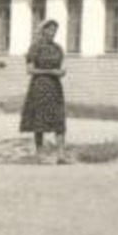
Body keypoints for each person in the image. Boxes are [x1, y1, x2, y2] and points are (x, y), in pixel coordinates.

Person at [20, 19, 68, 163]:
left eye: (55, 30)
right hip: (39, 86)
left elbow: (59, 67)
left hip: (55, 87)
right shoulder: (35, 47)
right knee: (39, 120)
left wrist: (60, 72)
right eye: (50, 29)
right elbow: (29, 70)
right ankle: (40, 155)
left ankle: (61, 155)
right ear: (43, 30)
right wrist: (50, 71)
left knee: (59, 120)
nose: (53, 33)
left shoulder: (58, 48)